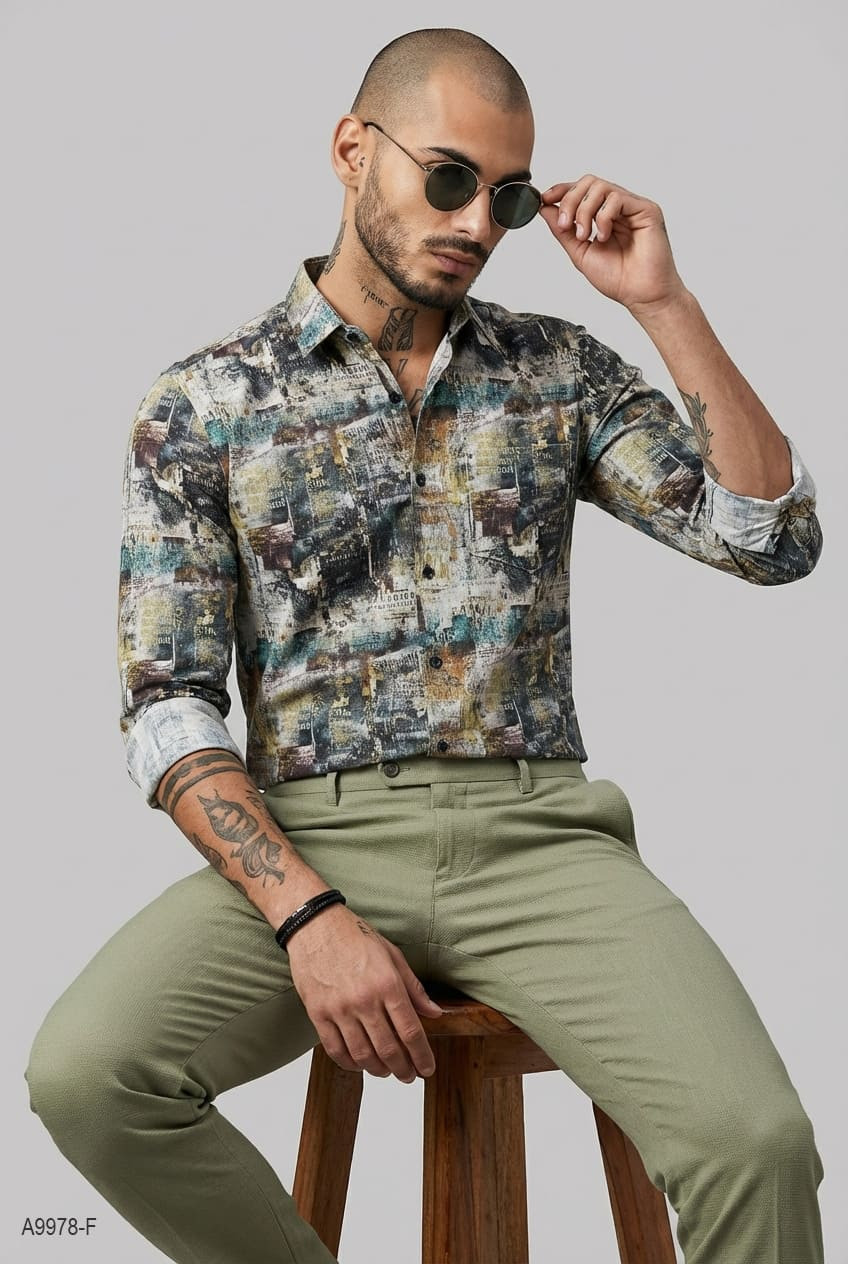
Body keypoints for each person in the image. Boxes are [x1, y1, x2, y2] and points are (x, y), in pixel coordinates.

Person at [25, 26, 825, 1264]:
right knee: (86, 1075)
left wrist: (660, 302)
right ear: (353, 150)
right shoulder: (203, 404)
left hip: (538, 837)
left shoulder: (556, 369)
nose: (472, 222)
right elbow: (168, 706)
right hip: (309, 836)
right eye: (446, 176)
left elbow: (767, 541)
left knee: (754, 1141)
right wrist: (307, 916)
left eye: (504, 197)